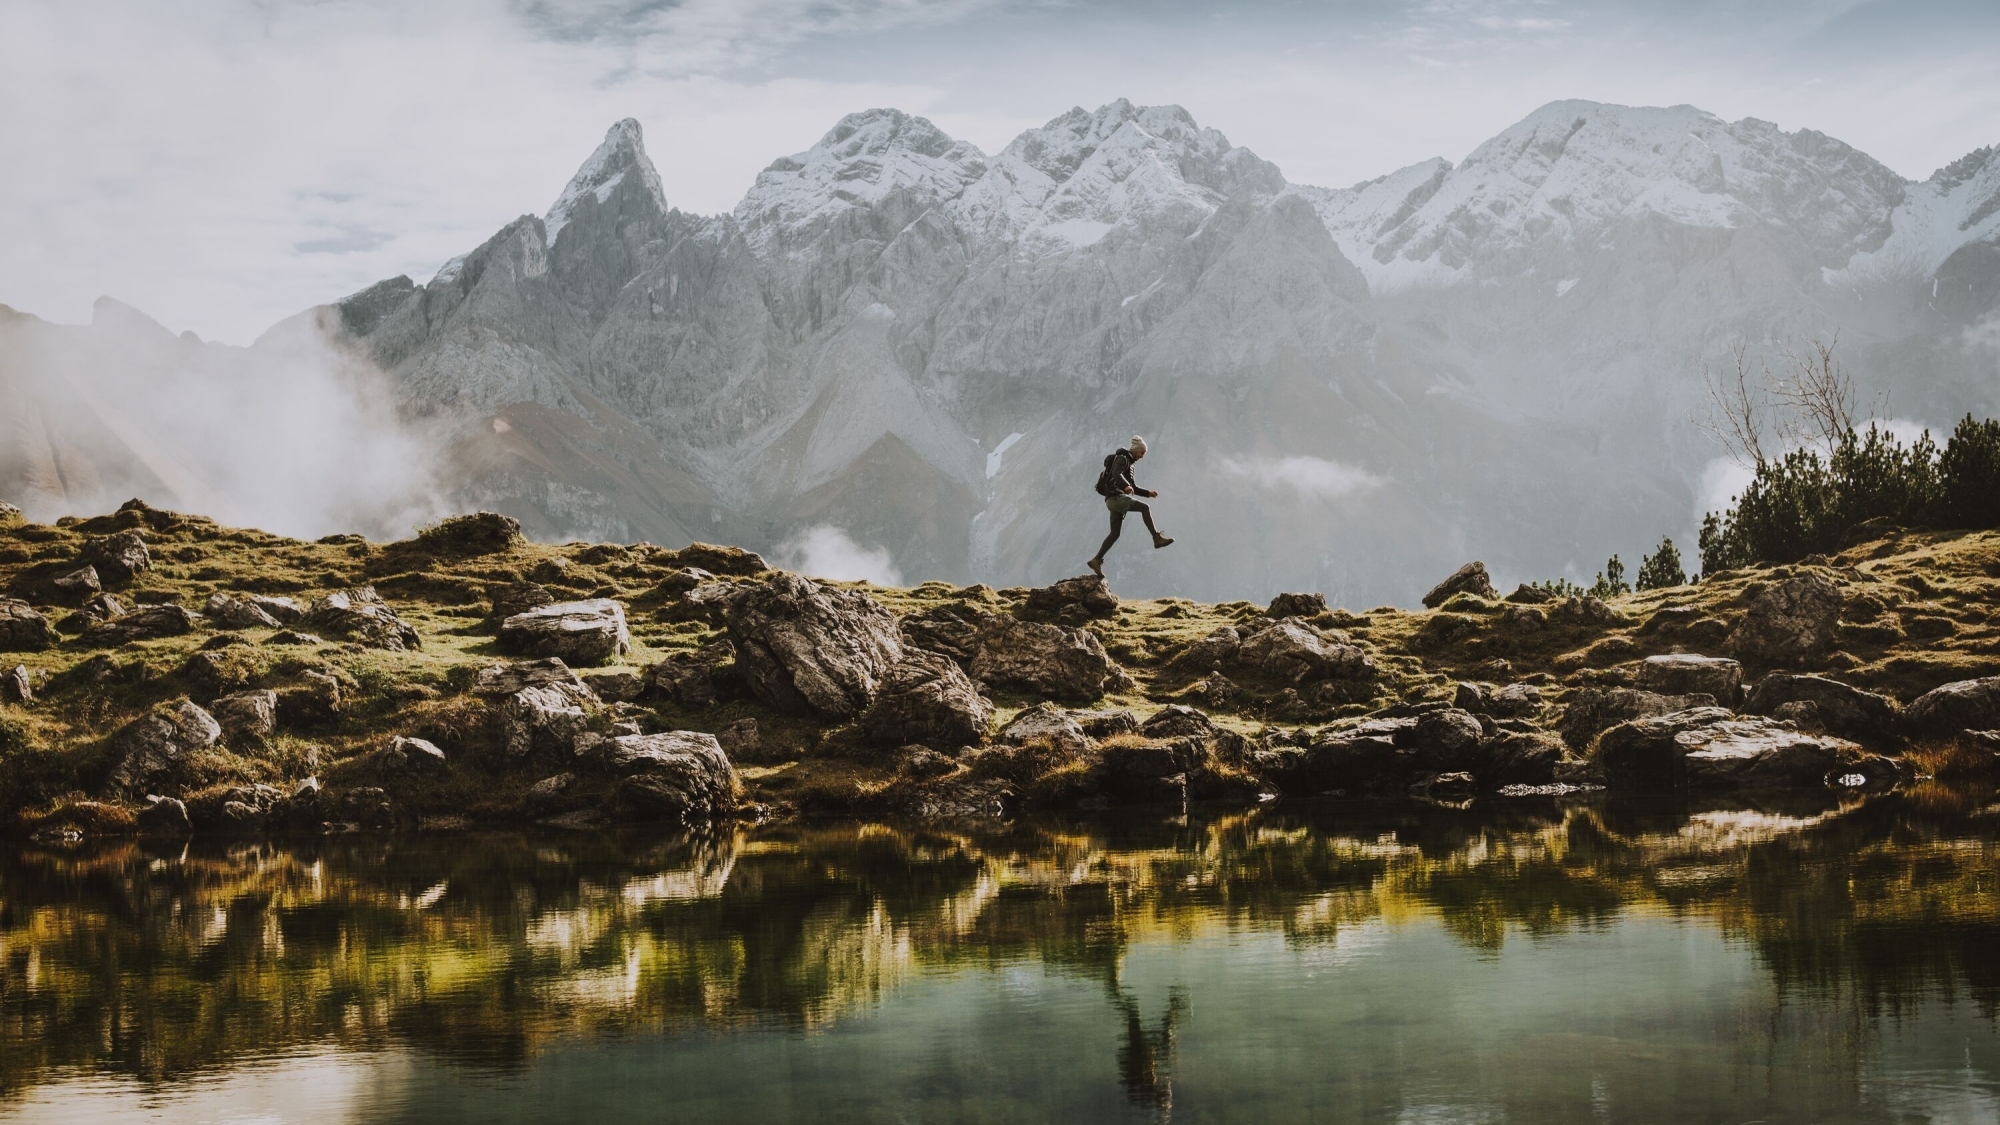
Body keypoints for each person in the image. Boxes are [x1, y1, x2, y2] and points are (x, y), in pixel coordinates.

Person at [1087, 435, 1172, 577]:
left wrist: (1148, 493)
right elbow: (1116, 473)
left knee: (1115, 533)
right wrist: (1125, 486)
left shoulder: (1130, 463)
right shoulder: (1122, 458)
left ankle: (1096, 560)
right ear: (1135, 450)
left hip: (1112, 500)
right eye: (1141, 453)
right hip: (1116, 497)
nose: (1142, 456)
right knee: (1145, 508)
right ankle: (1157, 538)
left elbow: (1133, 487)